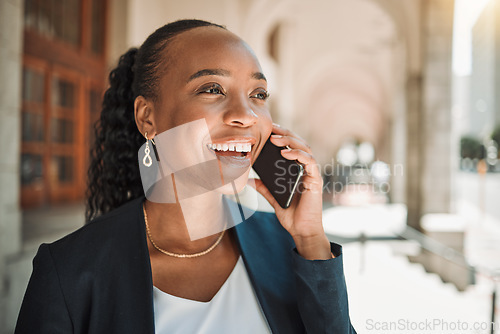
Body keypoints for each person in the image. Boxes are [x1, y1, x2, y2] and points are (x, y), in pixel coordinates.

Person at [15, 19, 357, 334]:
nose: (246, 115)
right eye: (212, 89)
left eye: (258, 95)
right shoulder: (68, 272)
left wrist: (311, 238)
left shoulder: (293, 250)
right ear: (147, 117)